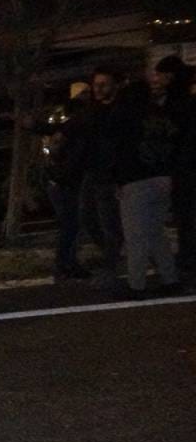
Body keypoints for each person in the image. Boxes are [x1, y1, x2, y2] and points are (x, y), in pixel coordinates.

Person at [113, 57, 185, 298]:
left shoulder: (127, 117)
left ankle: (137, 285)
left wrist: (118, 180)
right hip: (163, 178)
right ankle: (170, 278)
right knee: (155, 232)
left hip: (136, 180)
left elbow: (120, 151)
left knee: (136, 236)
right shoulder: (162, 115)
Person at [36, 84, 92, 280]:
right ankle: (65, 264)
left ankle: (68, 263)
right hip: (63, 179)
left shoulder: (67, 121)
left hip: (63, 178)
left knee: (71, 224)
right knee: (70, 224)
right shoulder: (70, 122)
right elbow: (55, 147)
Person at [79, 68, 128, 282]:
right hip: (93, 171)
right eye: (96, 85)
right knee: (87, 216)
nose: (98, 89)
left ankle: (112, 264)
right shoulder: (94, 109)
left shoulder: (121, 110)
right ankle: (113, 253)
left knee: (109, 221)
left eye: (103, 84)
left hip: (109, 173)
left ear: (115, 85)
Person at [151, 56, 196, 274]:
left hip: (182, 167)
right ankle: (188, 255)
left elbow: (171, 135)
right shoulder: (187, 98)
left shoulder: (174, 102)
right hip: (186, 165)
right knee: (187, 215)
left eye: (159, 75)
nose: (156, 80)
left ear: (169, 76)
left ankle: (188, 257)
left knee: (186, 215)